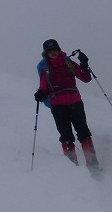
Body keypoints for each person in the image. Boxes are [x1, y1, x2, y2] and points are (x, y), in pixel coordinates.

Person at [33, 39, 100, 172]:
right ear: (46, 53)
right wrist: (40, 93)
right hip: (58, 106)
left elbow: (86, 78)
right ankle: (72, 169)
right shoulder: (45, 69)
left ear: (59, 50)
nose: (53, 52)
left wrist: (84, 65)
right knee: (66, 136)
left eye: (54, 49)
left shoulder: (68, 63)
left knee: (84, 133)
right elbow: (44, 88)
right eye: (50, 51)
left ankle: (93, 166)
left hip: (75, 103)